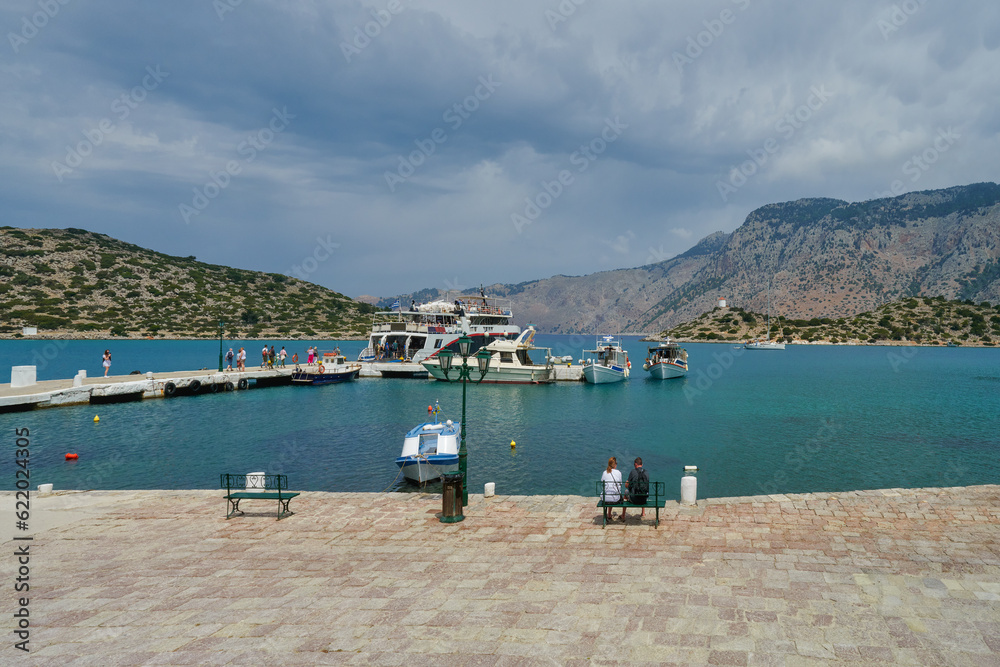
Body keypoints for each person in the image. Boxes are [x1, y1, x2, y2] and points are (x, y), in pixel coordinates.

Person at [622, 457, 649, 521]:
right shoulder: (646, 472)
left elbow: (626, 486)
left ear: (636, 464)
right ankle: (643, 513)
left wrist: (627, 483)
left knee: (626, 492)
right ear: (642, 464)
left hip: (634, 499)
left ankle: (623, 515)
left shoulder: (633, 471)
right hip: (643, 500)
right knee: (643, 491)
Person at [600, 457, 623, 522]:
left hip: (605, 499)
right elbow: (620, 484)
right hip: (615, 499)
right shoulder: (618, 472)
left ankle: (609, 514)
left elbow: (602, 483)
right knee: (613, 492)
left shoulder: (604, 472)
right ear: (615, 464)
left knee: (609, 492)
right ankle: (609, 514)